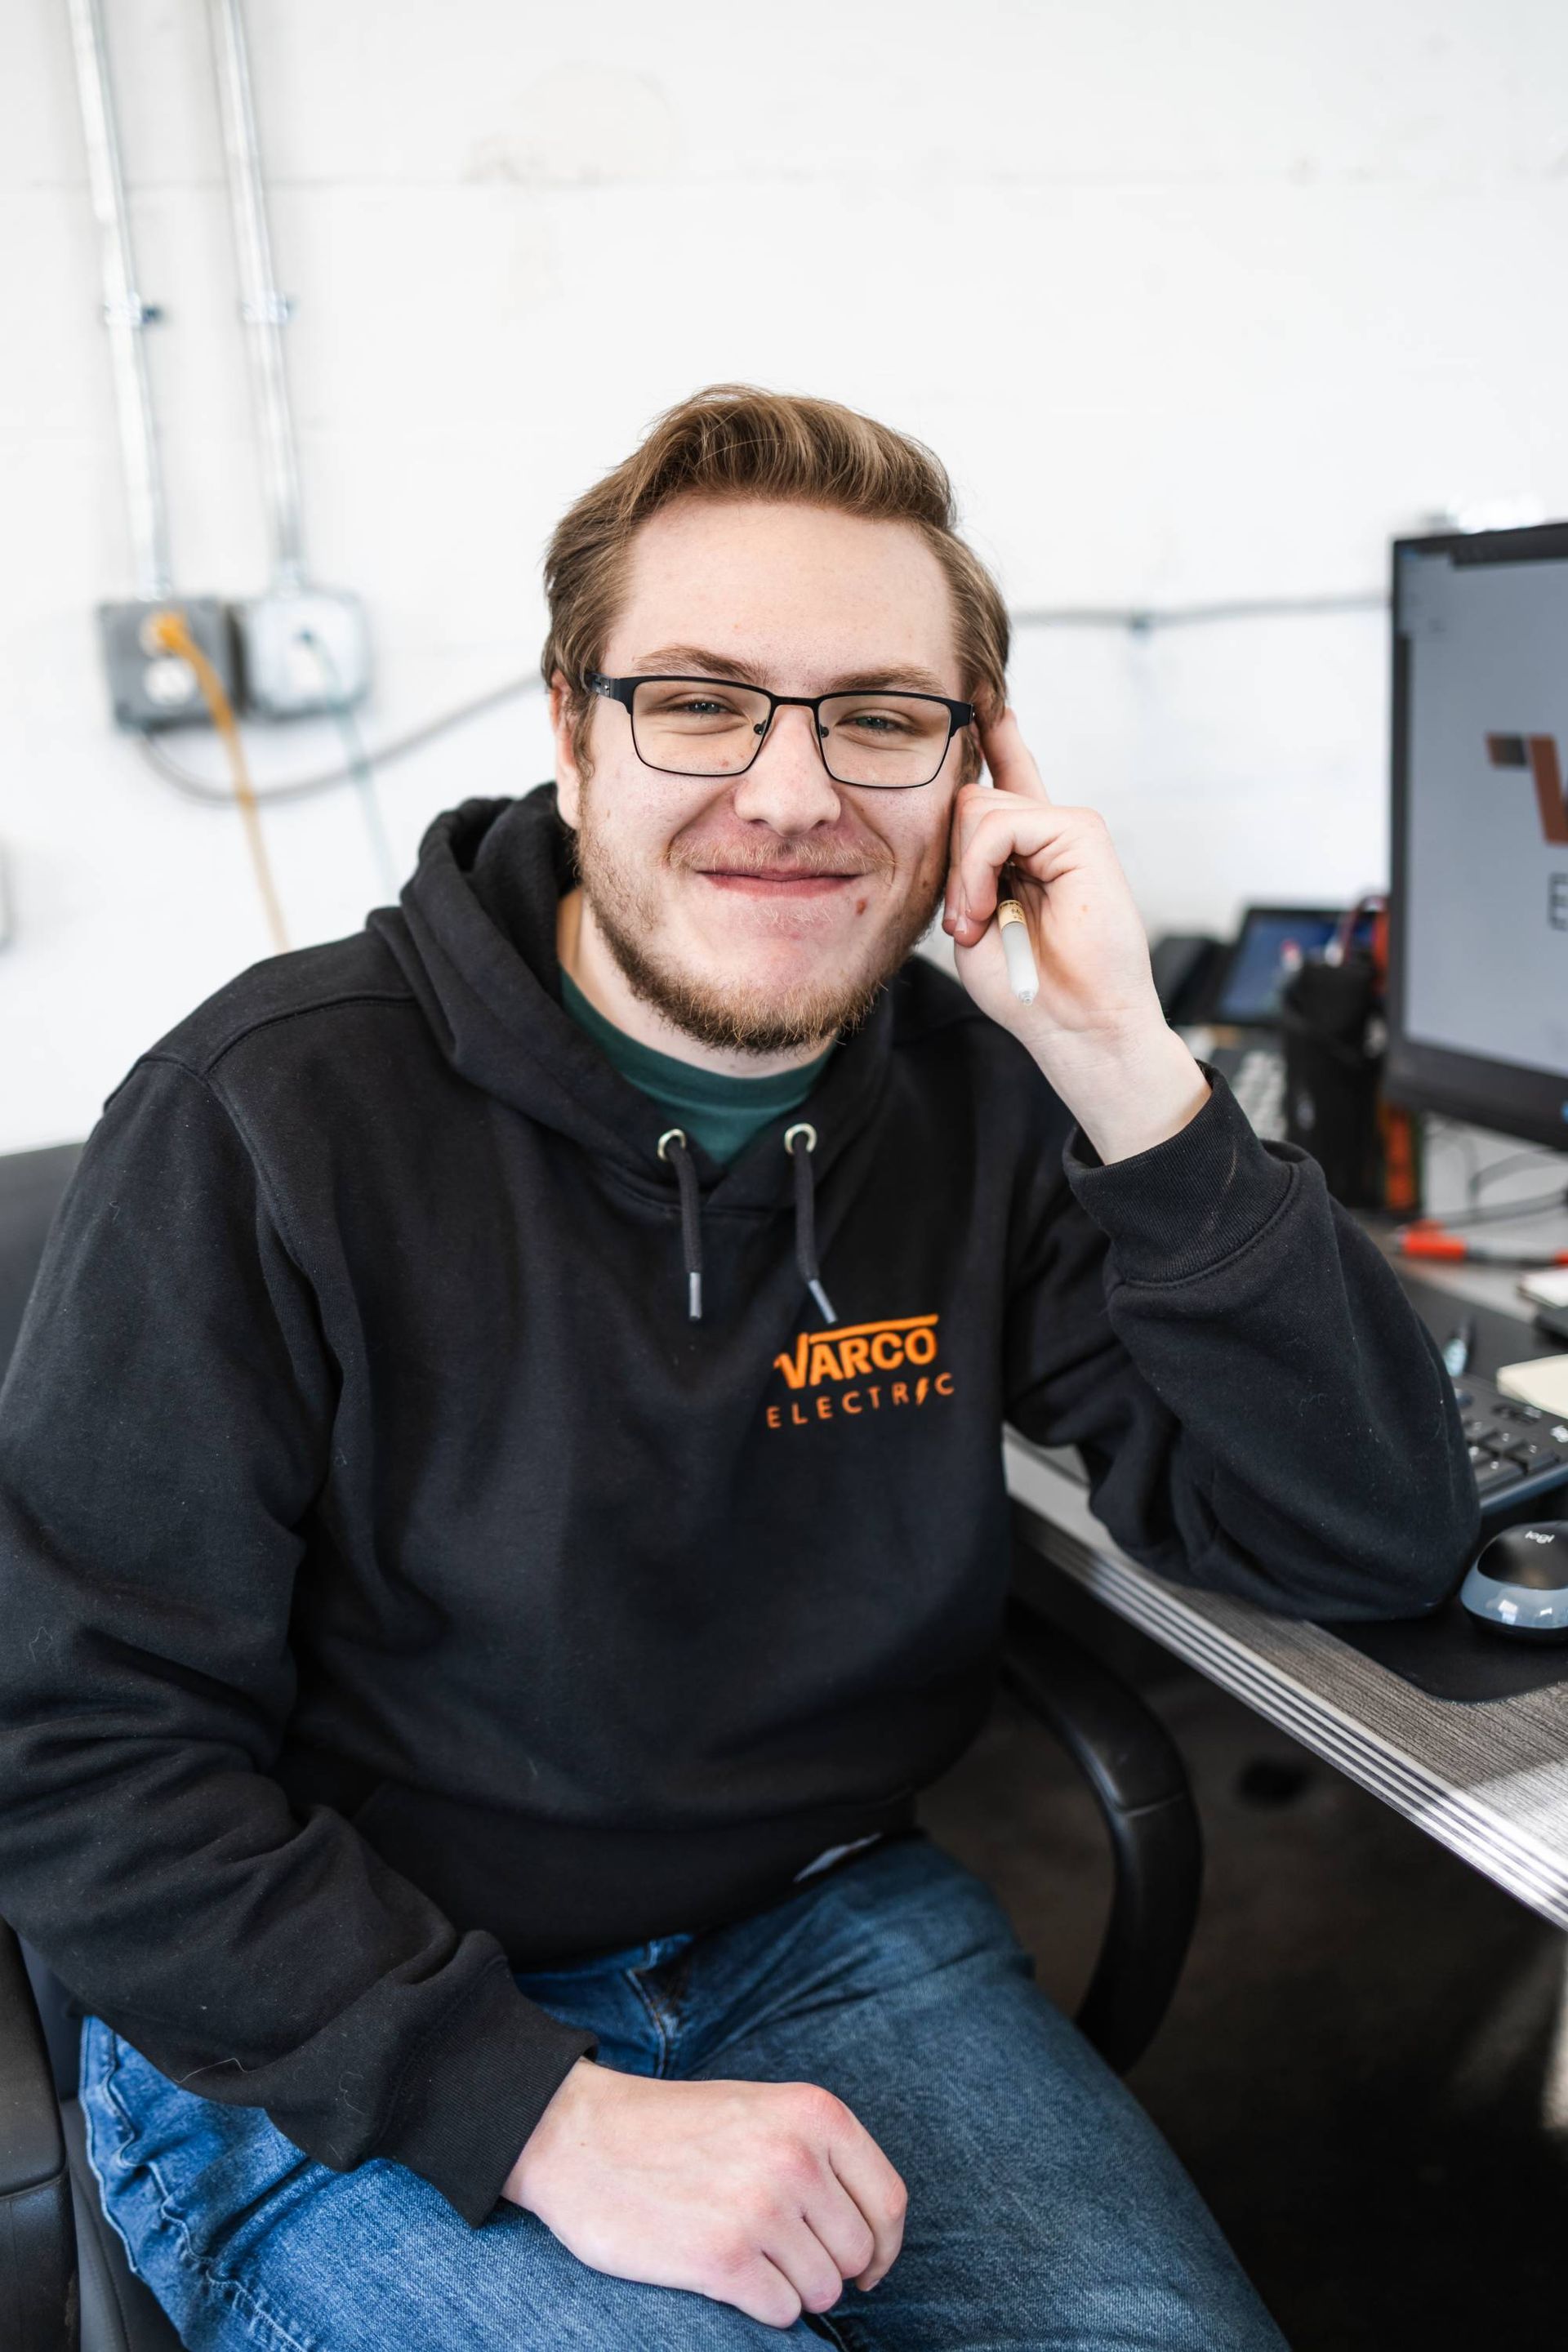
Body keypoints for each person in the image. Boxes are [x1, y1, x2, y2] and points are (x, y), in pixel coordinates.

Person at [0, 385, 1477, 2351]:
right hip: (325, 2022)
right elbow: (76, 1753)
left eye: (880, 715)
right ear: (570, 726)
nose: (791, 792)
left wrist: (1134, 1066)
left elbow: (1374, 1533)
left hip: (824, 1920)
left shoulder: (977, 1096)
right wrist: (530, 2112)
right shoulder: (266, 1119)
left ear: (979, 767)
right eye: (699, 700)